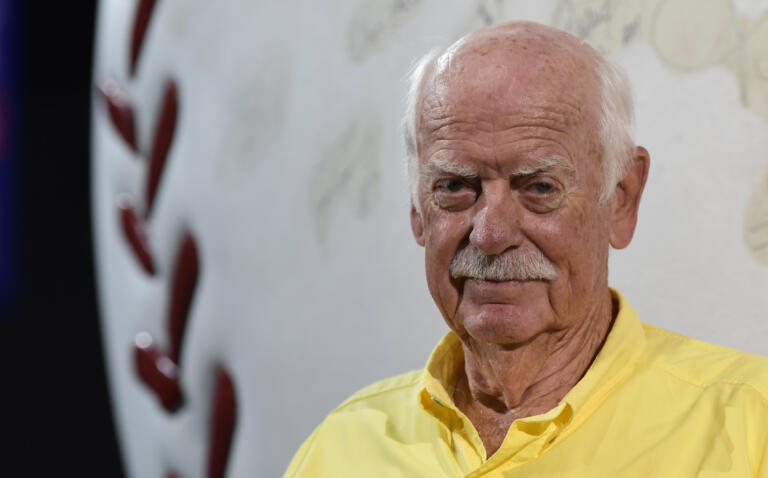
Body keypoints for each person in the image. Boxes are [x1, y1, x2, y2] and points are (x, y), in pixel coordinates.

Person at [284, 21, 768, 477]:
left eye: (539, 188)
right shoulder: (340, 447)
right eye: (454, 185)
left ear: (621, 200)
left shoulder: (750, 425)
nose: (491, 235)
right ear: (417, 210)